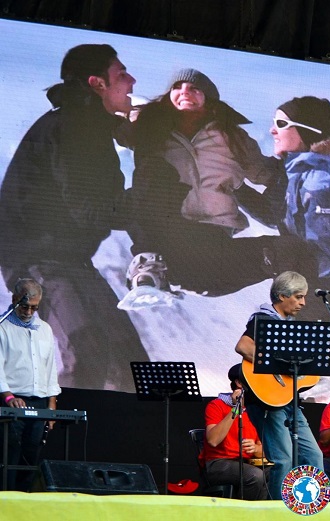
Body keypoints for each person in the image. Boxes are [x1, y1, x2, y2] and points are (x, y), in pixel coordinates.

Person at [0, 44, 148, 391]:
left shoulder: (85, 124)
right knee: (86, 350)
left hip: (70, 261)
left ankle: (121, 441)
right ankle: (54, 438)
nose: (132, 80)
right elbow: (89, 208)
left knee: (130, 361)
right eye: (121, 73)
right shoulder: (73, 127)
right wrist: (151, 203)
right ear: (97, 84)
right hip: (37, 262)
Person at [127, 69, 316, 297]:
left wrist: (311, 159)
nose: (184, 91)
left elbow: (268, 174)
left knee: (290, 252)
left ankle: (305, 317)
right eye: (177, 87)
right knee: (134, 196)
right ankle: (148, 275)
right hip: (173, 233)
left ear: (208, 97)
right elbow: (110, 123)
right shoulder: (149, 129)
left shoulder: (232, 137)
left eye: (194, 88)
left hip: (216, 237)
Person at [240, 96, 330, 328]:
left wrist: (275, 262)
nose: (272, 130)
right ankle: (328, 350)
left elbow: (325, 259)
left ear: (306, 132)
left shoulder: (318, 185)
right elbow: (273, 215)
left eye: (281, 124)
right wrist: (236, 189)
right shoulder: (293, 175)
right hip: (321, 285)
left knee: (284, 347)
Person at [235, 271, 324, 500]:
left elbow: (299, 371)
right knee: (284, 459)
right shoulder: (263, 319)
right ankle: (277, 512)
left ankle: (310, 507)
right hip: (267, 401)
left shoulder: (289, 327)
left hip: (289, 401)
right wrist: (274, 366)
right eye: (298, 297)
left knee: (314, 456)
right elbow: (243, 346)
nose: (303, 303)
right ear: (282, 296)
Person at [0, 279, 61, 491]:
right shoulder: (2, 327)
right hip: (12, 401)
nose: (29, 311)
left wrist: (52, 403)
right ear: (14, 299)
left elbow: (50, 367)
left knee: (31, 456)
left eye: (34, 307)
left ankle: (25, 501)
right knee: (9, 455)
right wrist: (8, 396)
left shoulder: (44, 329)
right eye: (25, 306)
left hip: (40, 402)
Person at [201, 363, 268, 500]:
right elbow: (213, 440)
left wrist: (255, 448)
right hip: (218, 463)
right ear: (238, 382)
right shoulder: (216, 405)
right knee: (255, 476)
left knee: (279, 473)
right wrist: (236, 408)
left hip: (247, 463)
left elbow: (266, 450)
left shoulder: (256, 409)